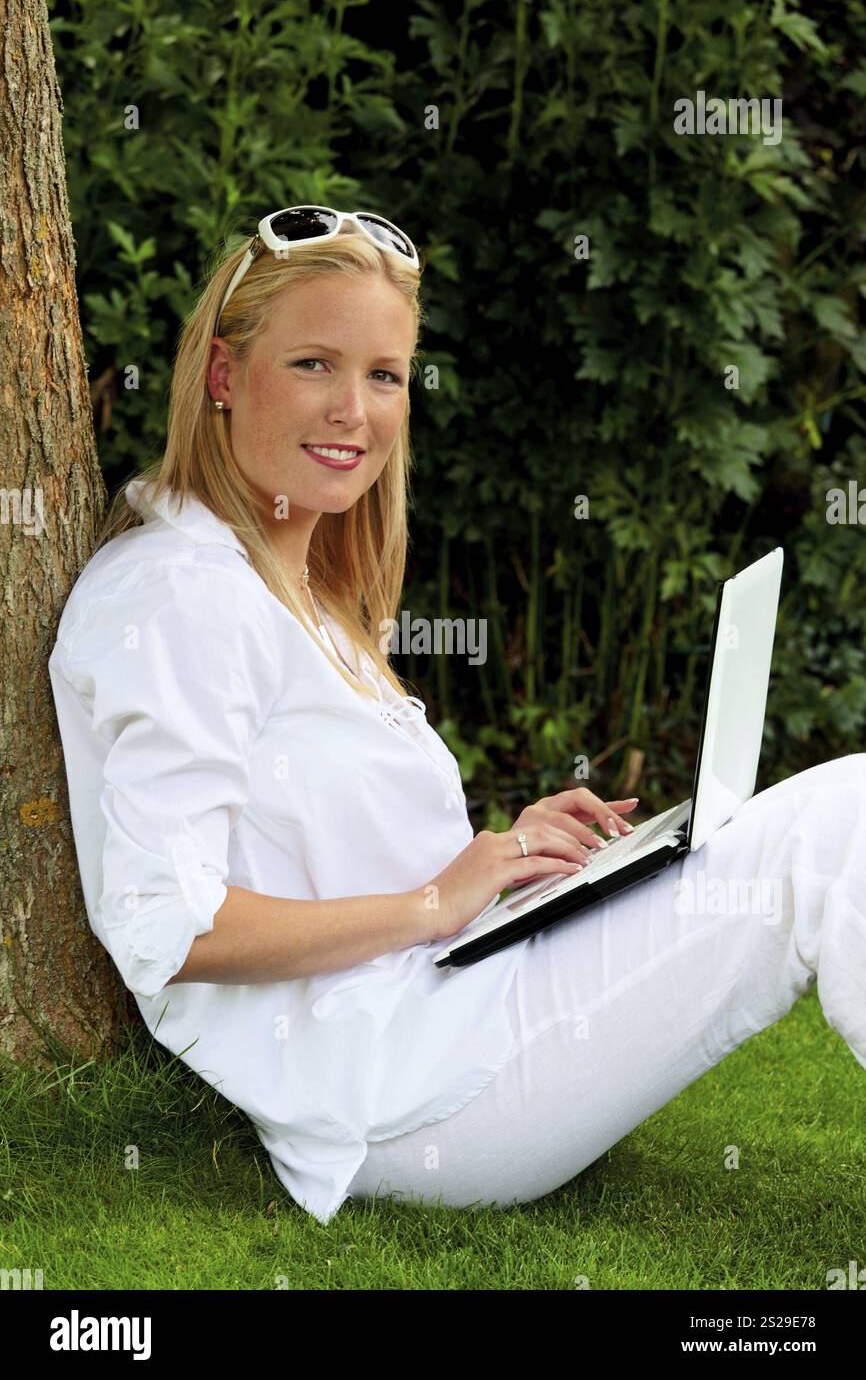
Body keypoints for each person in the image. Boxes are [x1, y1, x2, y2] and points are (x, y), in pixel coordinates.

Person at [49, 208, 866, 1227]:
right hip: (407, 1086)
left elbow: (336, 848)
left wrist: (503, 861)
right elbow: (167, 927)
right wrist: (437, 902)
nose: (354, 409)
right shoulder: (177, 596)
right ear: (221, 374)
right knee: (841, 830)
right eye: (313, 363)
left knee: (818, 824)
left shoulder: (291, 587)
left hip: (447, 1002)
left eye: (384, 375)